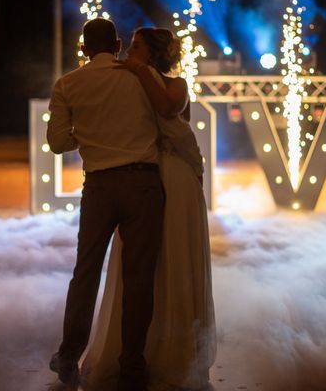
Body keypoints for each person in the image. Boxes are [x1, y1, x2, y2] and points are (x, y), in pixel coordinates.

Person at [81, 28, 216, 390]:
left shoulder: (176, 84)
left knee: (173, 260)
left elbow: (168, 111)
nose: (129, 50)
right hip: (142, 177)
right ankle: (136, 352)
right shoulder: (123, 81)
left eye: (137, 46)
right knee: (142, 269)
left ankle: (174, 353)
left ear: (153, 53)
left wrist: (141, 72)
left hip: (174, 178)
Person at [46, 18, 165, 391]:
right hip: (144, 184)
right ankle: (132, 366)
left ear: (82, 49)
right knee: (139, 278)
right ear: (117, 46)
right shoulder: (140, 77)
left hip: (99, 187)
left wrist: (90, 133)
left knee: (85, 274)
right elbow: (168, 119)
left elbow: (57, 143)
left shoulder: (68, 84)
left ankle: (69, 357)